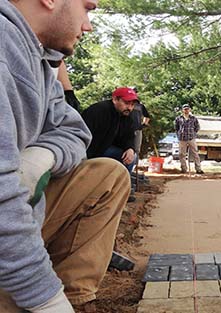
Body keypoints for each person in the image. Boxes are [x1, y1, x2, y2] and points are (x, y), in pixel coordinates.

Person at [0, 0, 130, 312]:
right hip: (7, 219)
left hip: (22, 207)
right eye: (87, 8)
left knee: (108, 176)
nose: (88, 25)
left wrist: (41, 157)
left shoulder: (42, 61)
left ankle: (76, 300)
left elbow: (75, 132)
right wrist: (45, 299)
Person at [82, 87, 138, 174]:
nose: (130, 108)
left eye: (132, 105)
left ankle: (121, 185)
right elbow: (82, 134)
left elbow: (129, 136)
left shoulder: (128, 116)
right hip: (89, 151)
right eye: (126, 103)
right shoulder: (98, 111)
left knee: (131, 157)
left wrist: (130, 148)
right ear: (115, 99)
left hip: (107, 149)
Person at [175, 104, 204, 174]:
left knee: (195, 154)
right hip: (182, 138)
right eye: (185, 109)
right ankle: (184, 169)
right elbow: (176, 128)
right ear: (182, 110)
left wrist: (193, 133)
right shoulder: (178, 118)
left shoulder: (193, 118)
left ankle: (198, 169)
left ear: (189, 110)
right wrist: (179, 134)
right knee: (182, 154)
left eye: (187, 109)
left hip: (191, 138)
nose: (186, 110)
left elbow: (197, 127)